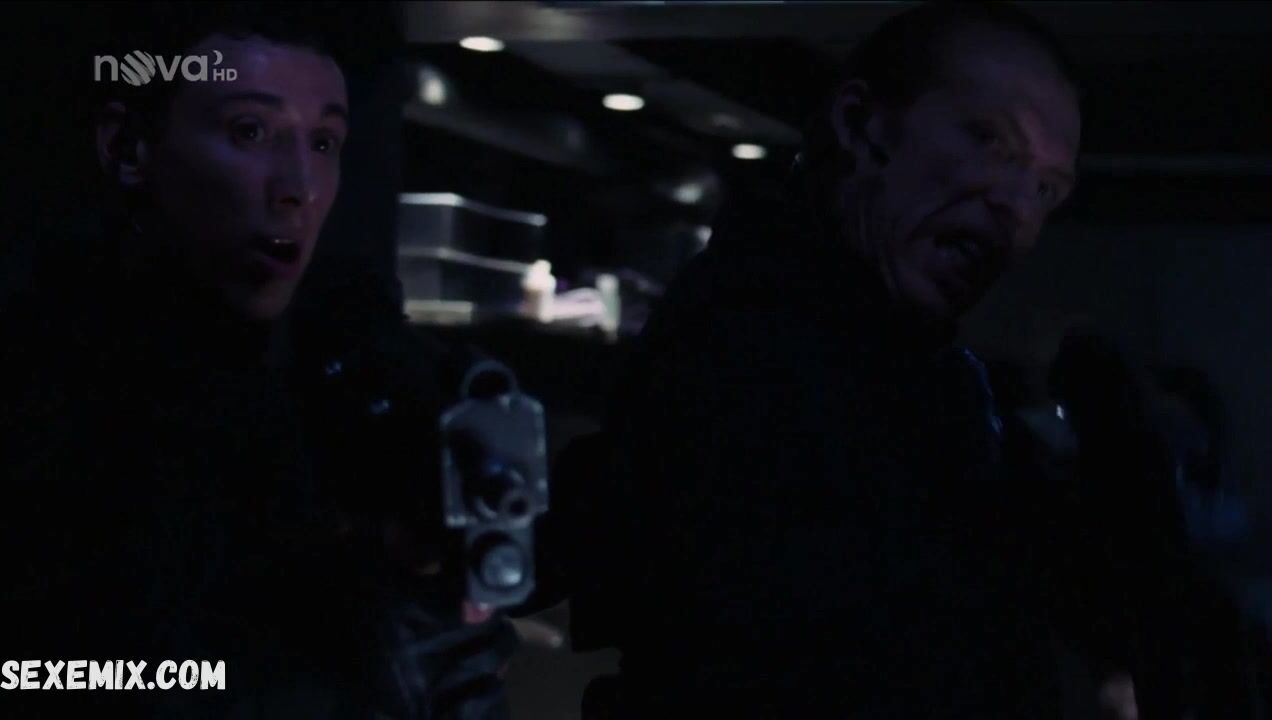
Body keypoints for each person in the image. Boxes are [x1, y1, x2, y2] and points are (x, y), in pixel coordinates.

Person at [551, 2, 1090, 717]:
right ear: (862, 127)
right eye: (991, 141)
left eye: (1047, 187)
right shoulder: (759, 358)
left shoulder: (911, 368)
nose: (1018, 207)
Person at [0, 4, 515, 718]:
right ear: (128, 147)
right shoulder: (42, 389)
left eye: (325, 142)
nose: (298, 186)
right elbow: (34, 673)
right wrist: (298, 669)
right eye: (250, 131)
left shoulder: (336, 374)